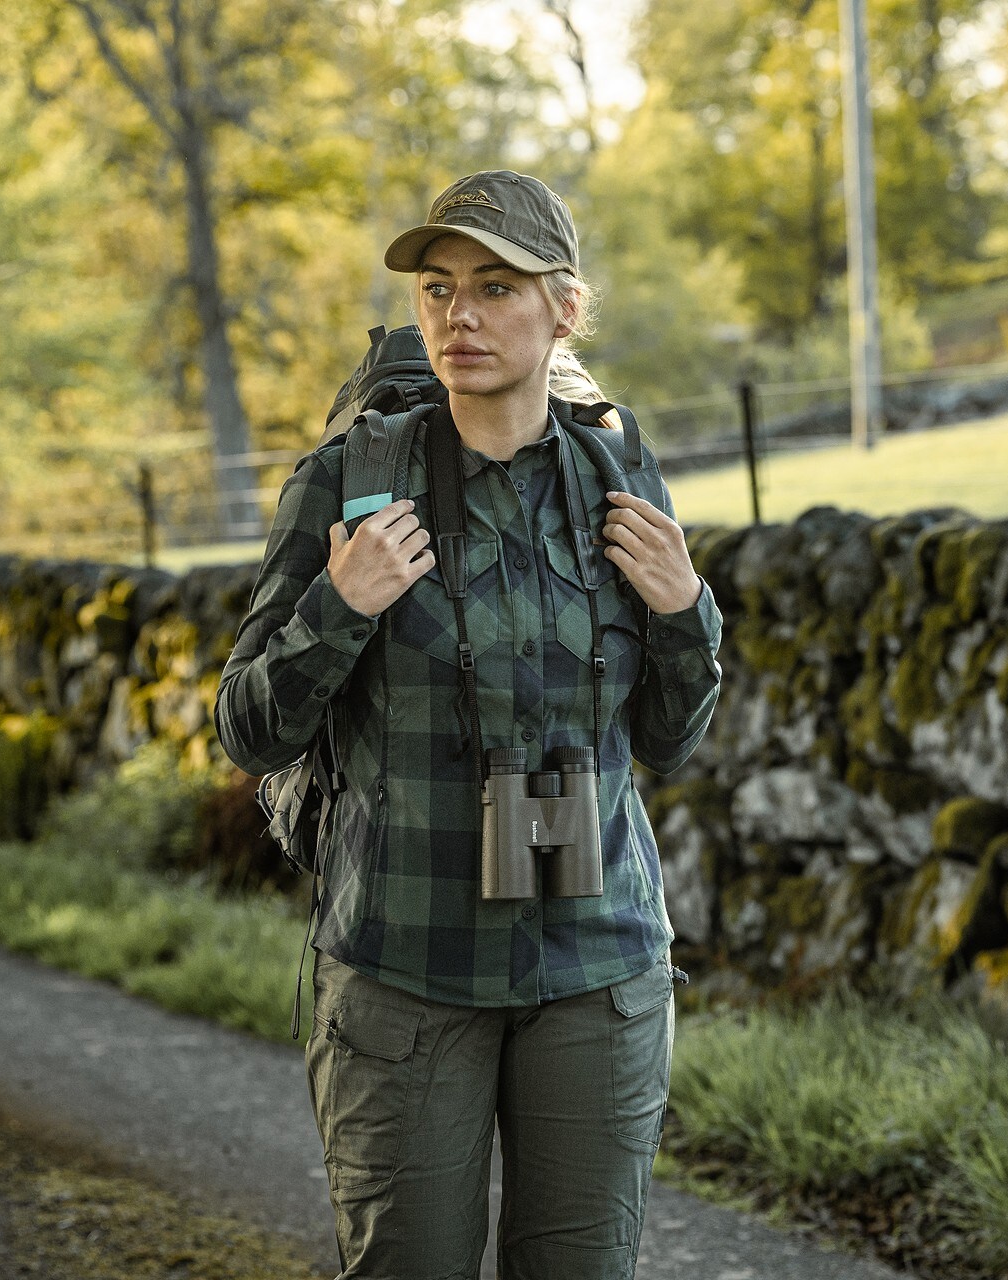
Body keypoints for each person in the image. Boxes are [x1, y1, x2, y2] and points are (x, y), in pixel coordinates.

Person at [213, 169, 724, 1280]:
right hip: (405, 969)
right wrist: (338, 607)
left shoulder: (620, 482)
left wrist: (688, 614)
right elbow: (247, 725)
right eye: (439, 289)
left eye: (496, 286)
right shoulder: (349, 485)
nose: (461, 314)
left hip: (598, 968)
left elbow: (671, 740)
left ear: (564, 309)